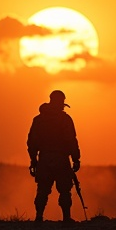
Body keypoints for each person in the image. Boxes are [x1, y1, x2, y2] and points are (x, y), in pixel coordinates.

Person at [27, 90, 81, 222]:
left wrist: (33, 160)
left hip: (44, 159)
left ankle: (39, 217)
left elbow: (32, 142)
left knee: (42, 190)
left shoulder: (38, 120)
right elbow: (71, 140)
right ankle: (66, 218)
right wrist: (76, 159)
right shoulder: (65, 120)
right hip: (61, 159)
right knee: (64, 190)